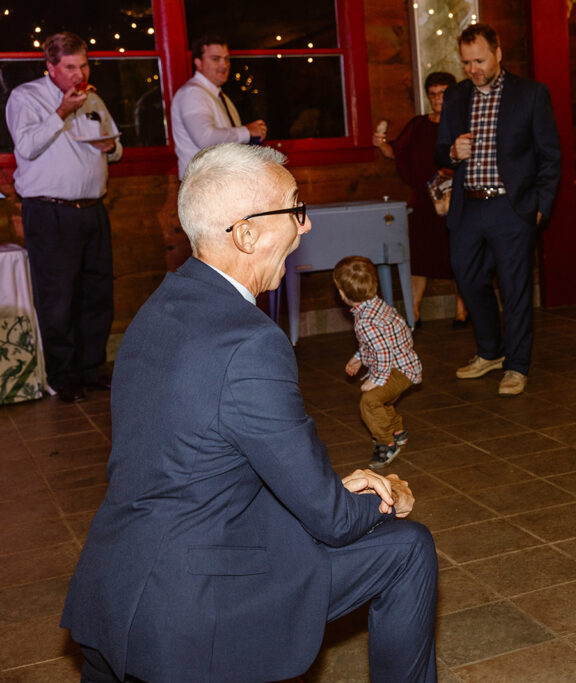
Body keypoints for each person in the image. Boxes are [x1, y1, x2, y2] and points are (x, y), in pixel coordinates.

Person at [60, 143, 438, 683]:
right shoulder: (250, 342)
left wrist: (332, 490)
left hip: (114, 584)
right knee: (407, 546)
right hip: (191, 607)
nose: (305, 227)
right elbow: (331, 520)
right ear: (246, 233)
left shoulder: (159, 306)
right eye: (294, 208)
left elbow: (208, 455)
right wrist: (387, 495)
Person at [434, 23, 561, 397]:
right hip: (469, 206)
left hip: (512, 206)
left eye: (479, 60)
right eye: (466, 62)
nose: (473, 68)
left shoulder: (531, 94)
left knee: (515, 288)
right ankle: (490, 351)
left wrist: (541, 205)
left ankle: (517, 365)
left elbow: (550, 156)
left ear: (498, 53)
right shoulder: (456, 96)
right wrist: (452, 153)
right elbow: (440, 150)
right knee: (468, 279)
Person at [5, 32, 122, 403]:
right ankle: (62, 374)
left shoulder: (93, 96)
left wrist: (112, 146)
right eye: (70, 67)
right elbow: (25, 146)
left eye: (83, 65)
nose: (78, 73)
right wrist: (61, 113)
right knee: (58, 298)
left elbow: (115, 148)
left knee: (97, 293)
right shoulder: (26, 98)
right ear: (51, 67)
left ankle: (91, 368)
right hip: (49, 211)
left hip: (92, 209)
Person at [372, 71, 468, 329]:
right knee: (420, 255)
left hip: (459, 199)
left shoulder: (464, 123)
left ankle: (463, 310)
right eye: (433, 94)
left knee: (460, 254)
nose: (438, 99)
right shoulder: (418, 125)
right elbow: (397, 151)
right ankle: (414, 309)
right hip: (425, 201)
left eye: (444, 94)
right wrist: (381, 144)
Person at [334, 255, 423, 469]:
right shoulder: (375, 306)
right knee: (384, 400)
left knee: (370, 401)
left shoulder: (365, 321)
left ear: (342, 294)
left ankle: (387, 443)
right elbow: (373, 344)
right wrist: (357, 359)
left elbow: (382, 352)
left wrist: (377, 379)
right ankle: (397, 431)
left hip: (397, 370)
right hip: (406, 364)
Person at [170, 35, 268, 179]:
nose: (224, 65)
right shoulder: (193, 93)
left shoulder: (219, 96)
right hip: (202, 185)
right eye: (215, 59)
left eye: (227, 59)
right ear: (198, 63)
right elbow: (205, 139)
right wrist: (247, 131)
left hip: (218, 184)